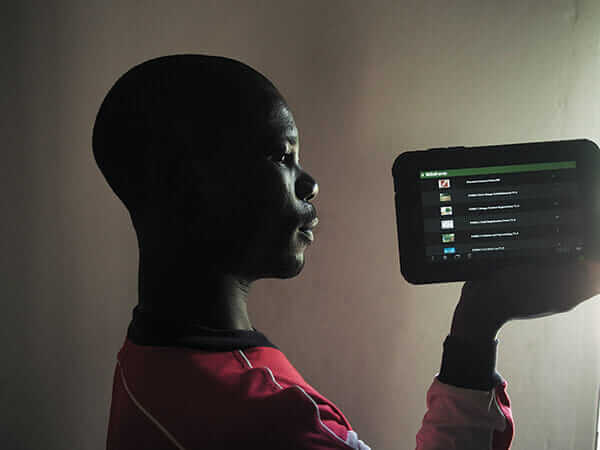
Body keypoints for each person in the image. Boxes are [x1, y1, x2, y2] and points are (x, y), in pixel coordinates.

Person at [92, 54, 600, 450]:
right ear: (187, 184)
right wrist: (479, 321)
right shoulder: (269, 424)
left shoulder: (147, 360)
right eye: (282, 156)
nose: (309, 183)